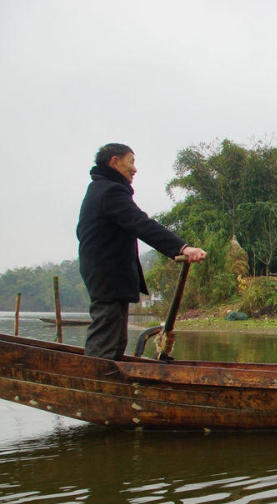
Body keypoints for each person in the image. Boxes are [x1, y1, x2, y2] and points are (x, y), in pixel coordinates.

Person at [77, 143, 206, 360]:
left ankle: (108, 384)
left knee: (114, 340)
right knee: (105, 341)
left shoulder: (100, 190)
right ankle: (95, 383)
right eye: (131, 161)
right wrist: (182, 247)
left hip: (106, 276)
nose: (134, 168)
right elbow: (142, 224)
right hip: (107, 276)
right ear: (115, 161)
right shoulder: (109, 191)